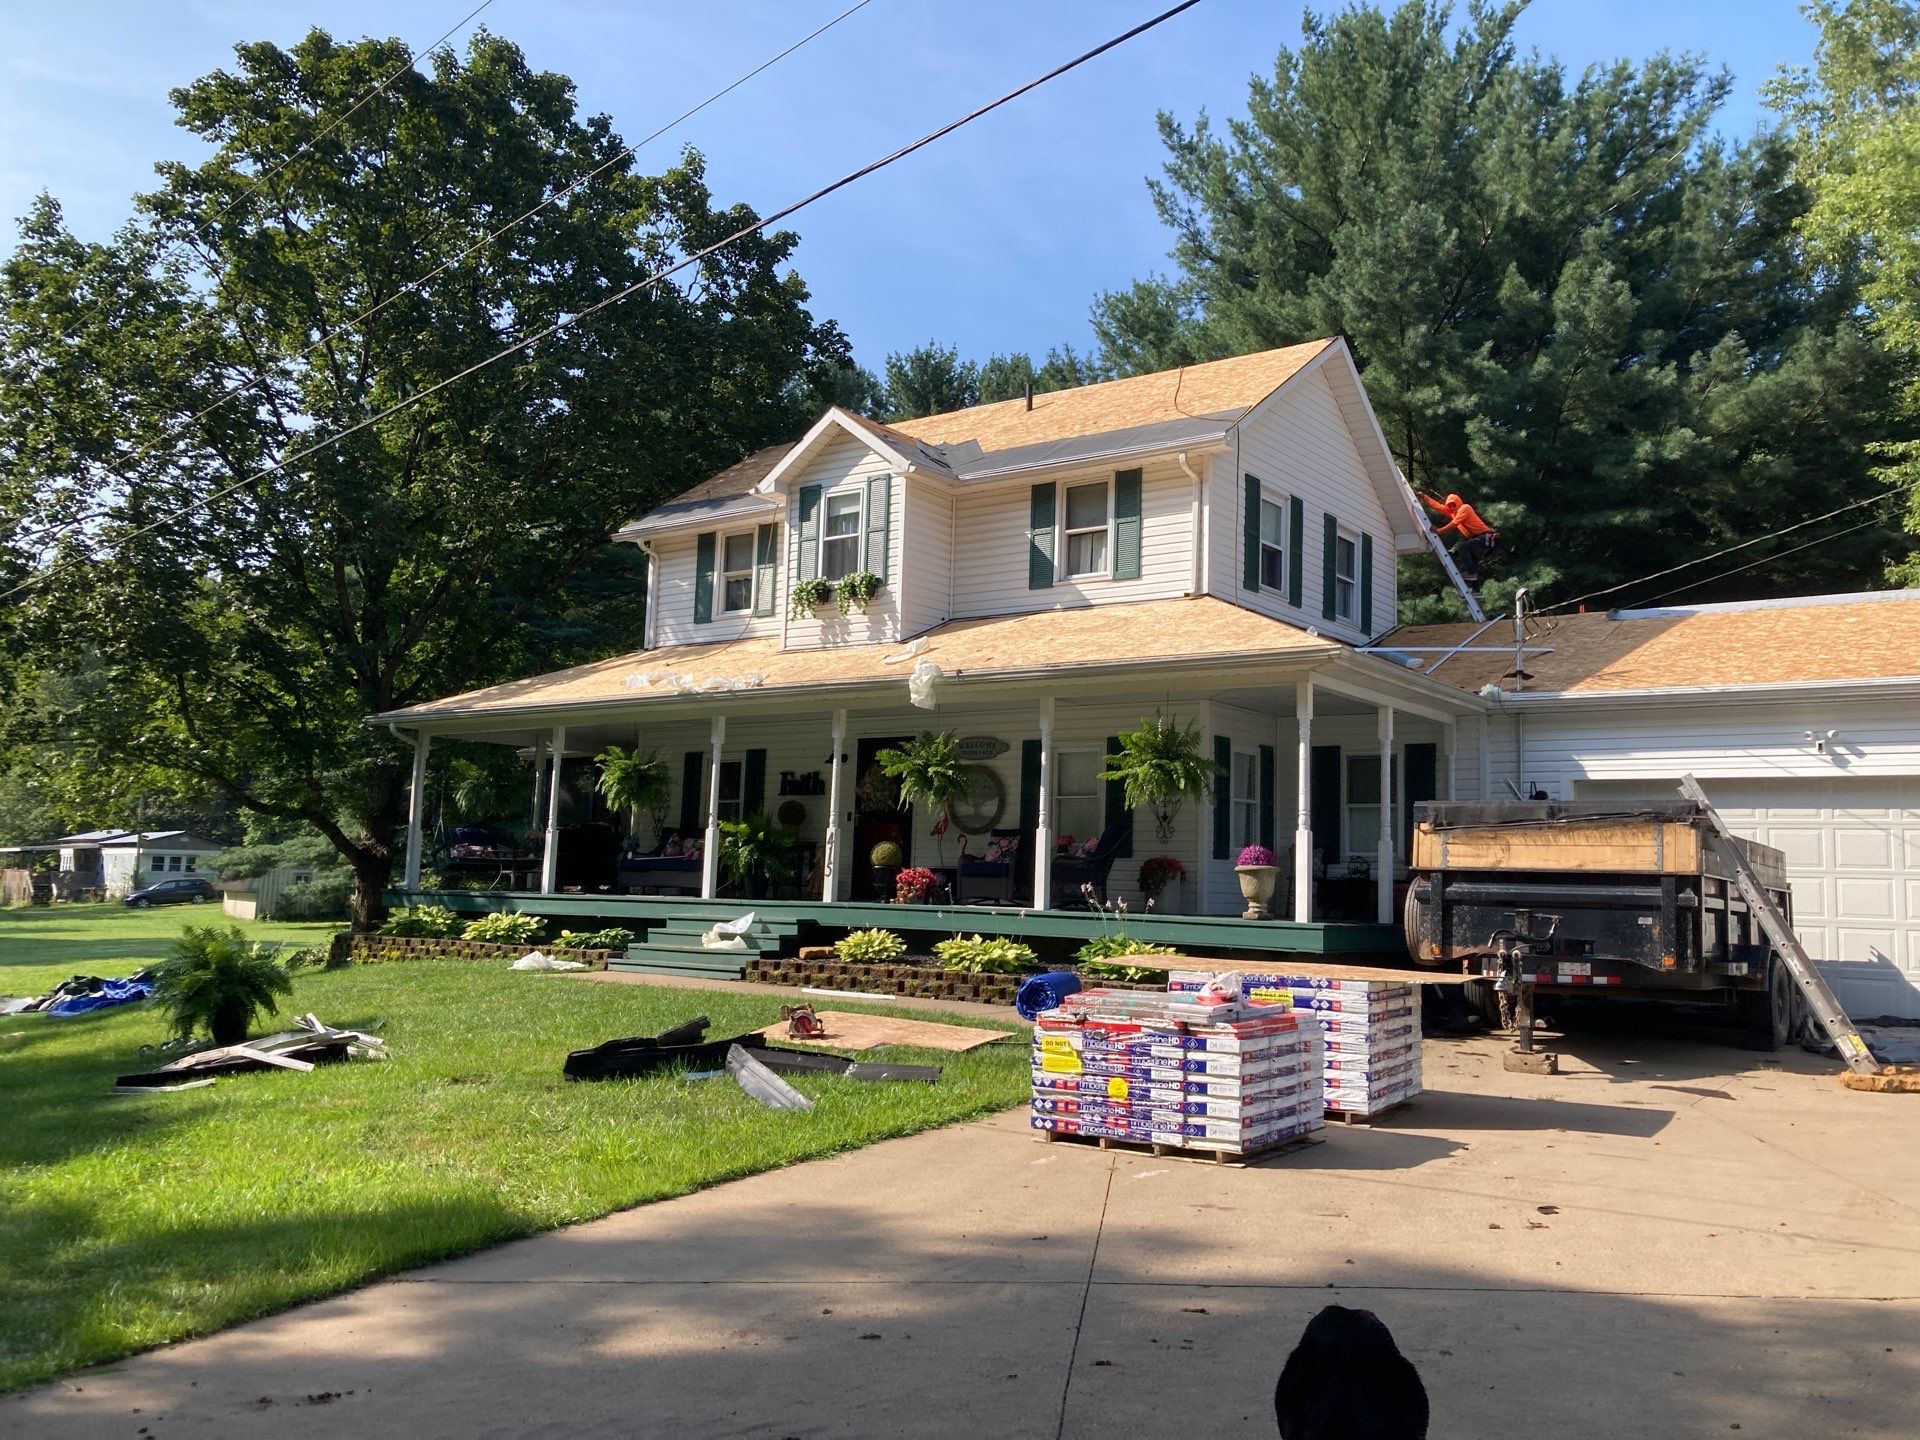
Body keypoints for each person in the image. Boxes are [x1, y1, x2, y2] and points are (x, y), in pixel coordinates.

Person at [1419, 491, 1500, 585]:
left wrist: (1439, 531)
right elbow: (1437, 506)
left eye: (1453, 505)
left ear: (1458, 502)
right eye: (1449, 505)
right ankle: (1473, 586)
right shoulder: (1452, 512)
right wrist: (1424, 497)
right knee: (1454, 554)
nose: (1452, 508)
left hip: (1485, 537)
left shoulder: (1465, 508)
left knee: (1463, 548)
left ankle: (1471, 574)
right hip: (1476, 539)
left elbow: (1454, 523)